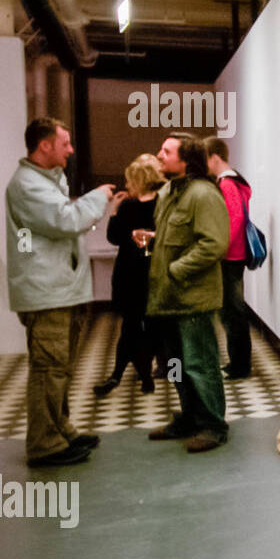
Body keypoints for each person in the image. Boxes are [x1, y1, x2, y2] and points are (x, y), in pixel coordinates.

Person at [5, 116, 123, 466]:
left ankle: (61, 430)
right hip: (48, 293)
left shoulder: (44, 181)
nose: (71, 150)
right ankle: (45, 443)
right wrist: (98, 197)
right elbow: (67, 221)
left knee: (59, 368)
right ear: (45, 145)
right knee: (49, 370)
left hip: (57, 290)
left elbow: (67, 222)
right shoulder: (28, 186)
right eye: (65, 143)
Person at [140, 133, 230, 453]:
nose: (159, 155)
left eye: (167, 151)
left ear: (186, 160)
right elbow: (178, 237)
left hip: (192, 297)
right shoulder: (168, 192)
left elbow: (214, 244)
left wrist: (177, 269)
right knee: (177, 363)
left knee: (200, 363)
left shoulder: (203, 194)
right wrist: (152, 240)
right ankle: (190, 418)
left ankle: (213, 425)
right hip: (169, 299)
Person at [94, 154, 164, 397]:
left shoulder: (127, 205)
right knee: (150, 328)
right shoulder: (162, 204)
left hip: (128, 272)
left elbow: (113, 237)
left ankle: (125, 375)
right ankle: (144, 376)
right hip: (152, 271)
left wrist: (113, 212)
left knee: (131, 328)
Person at [204, 136, 252, 379]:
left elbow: (234, 220)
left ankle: (240, 365)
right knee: (233, 311)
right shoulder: (234, 181)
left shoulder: (226, 184)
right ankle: (238, 362)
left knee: (232, 312)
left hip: (230, 256)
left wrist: (219, 249)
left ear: (215, 157)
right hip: (235, 254)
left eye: (206, 159)